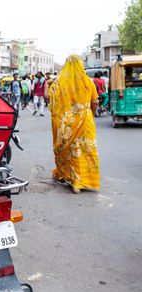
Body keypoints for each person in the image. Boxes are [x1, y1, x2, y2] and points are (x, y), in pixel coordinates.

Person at [48, 55, 100, 194]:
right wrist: (91, 115)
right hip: (85, 120)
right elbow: (95, 102)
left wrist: (48, 85)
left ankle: (72, 179)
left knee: (69, 150)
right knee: (85, 149)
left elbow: (48, 98)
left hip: (66, 123)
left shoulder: (58, 82)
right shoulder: (88, 81)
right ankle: (84, 180)